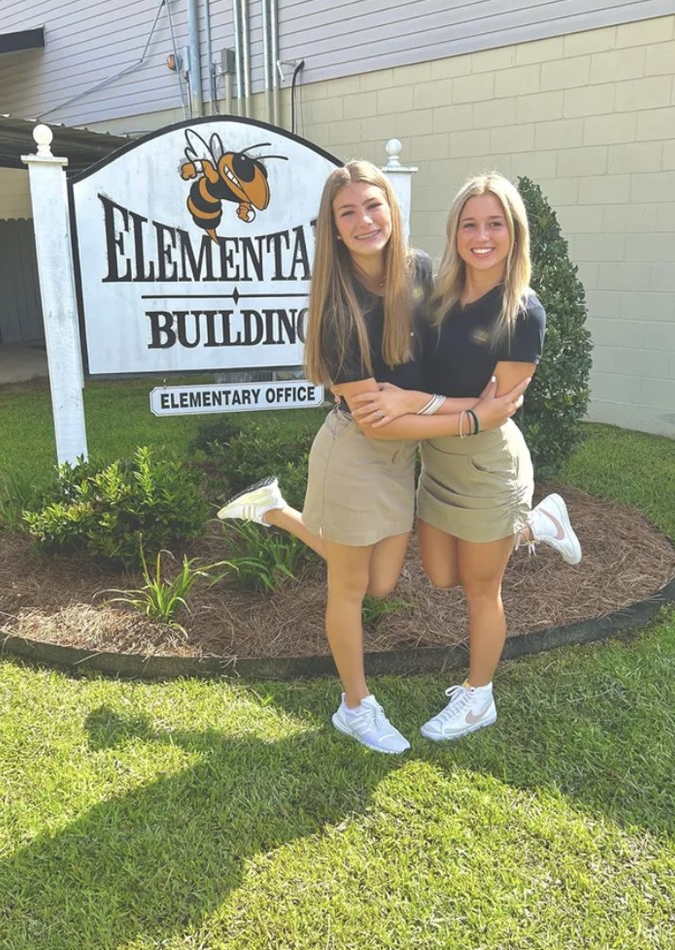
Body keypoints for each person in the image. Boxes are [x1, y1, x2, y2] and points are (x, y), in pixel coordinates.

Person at [217, 161, 529, 755]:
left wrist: (478, 408)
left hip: (407, 451)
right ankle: (355, 705)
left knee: (382, 581)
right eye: (348, 212)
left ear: (393, 208)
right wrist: (471, 417)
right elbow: (378, 425)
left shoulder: (419, 273)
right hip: (359, 454)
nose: (364, 220)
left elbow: (450, 367)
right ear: (333, 228)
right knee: (352, 587)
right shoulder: (336, 310)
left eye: (373, 205)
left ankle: (275, 511)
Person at [349, 172, 580, 742]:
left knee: (482, 588)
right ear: (455, 231)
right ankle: (538, 525)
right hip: (438, 458)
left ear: (514, 233)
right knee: (440, 571)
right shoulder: (442, 296)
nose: (481, 236)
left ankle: (480, 697)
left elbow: (492, 408)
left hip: (484, 461)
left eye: (494, 224)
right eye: (470, 224)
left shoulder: (523, 312)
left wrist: (413, 401)